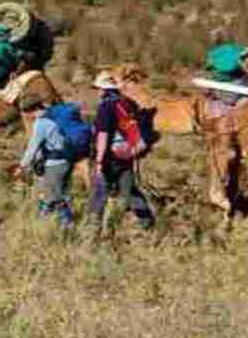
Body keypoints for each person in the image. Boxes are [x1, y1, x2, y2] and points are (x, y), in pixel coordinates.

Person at [87, 75, 156, 235]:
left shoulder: (105, 107)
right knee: (130, 192)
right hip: (127, 155)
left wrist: (98, 161)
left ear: (103, 90)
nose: (97, 92)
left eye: (98, 89)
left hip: (109, 158)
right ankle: (149, 225)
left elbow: (103, 135)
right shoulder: (128, 104)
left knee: (99, 193)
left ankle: (91, 232)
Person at [20, 101, 85, 231]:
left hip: (54, 165)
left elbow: (33, 148)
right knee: (57, 193)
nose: (30, 116)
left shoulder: (41, 123)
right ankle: (45, 224)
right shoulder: (56, 118)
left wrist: (22, 166)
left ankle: (67, 226)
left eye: (30, 113)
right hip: (67, 161)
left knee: (54, 197)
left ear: (34, 110)